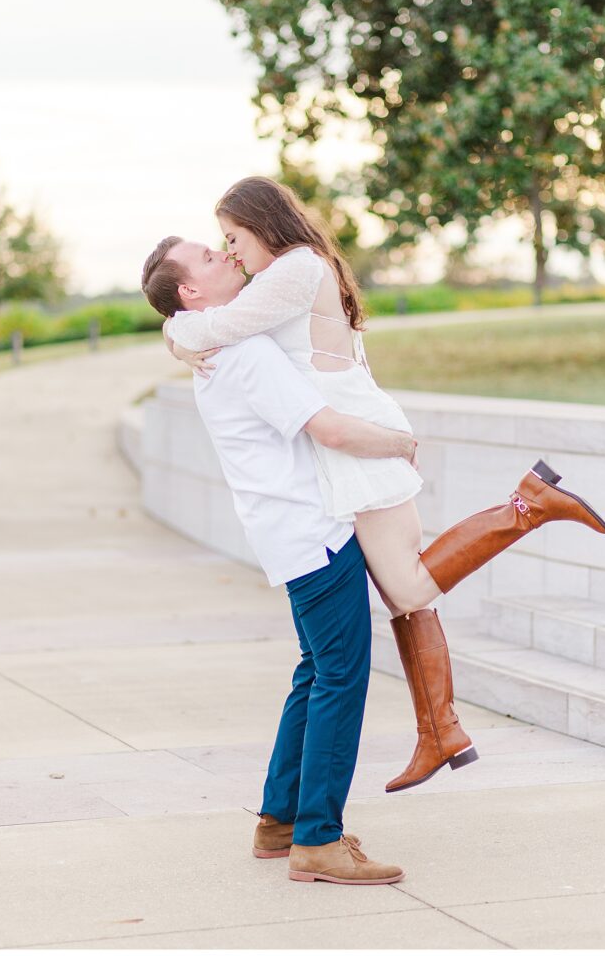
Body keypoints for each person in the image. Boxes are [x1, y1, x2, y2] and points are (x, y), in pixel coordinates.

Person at [144, 178, 605, 794]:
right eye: (220, 246)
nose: (230, 252)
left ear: (262, 224)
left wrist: (177, 335)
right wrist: (179, 331)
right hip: (350, 435)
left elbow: (215, 326)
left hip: (356, 436)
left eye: (232, 238)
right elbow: (219, 319)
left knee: (410, 584)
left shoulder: (293, 270)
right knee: (405, 595)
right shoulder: (291, 271)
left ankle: (527, 505)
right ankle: (439, 733)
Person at [145, 242, 414, 883]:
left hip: (287, 529)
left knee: (316, 668)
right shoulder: (244, 350)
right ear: (191, 293)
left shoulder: (208, 339)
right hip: (312, 530)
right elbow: (331, 430)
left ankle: (280, 820)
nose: (224, 254)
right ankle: (319, 839)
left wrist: (174, 335)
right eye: (209, 257)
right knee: (342, 676)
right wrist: (402, 444)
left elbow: (179, 331)